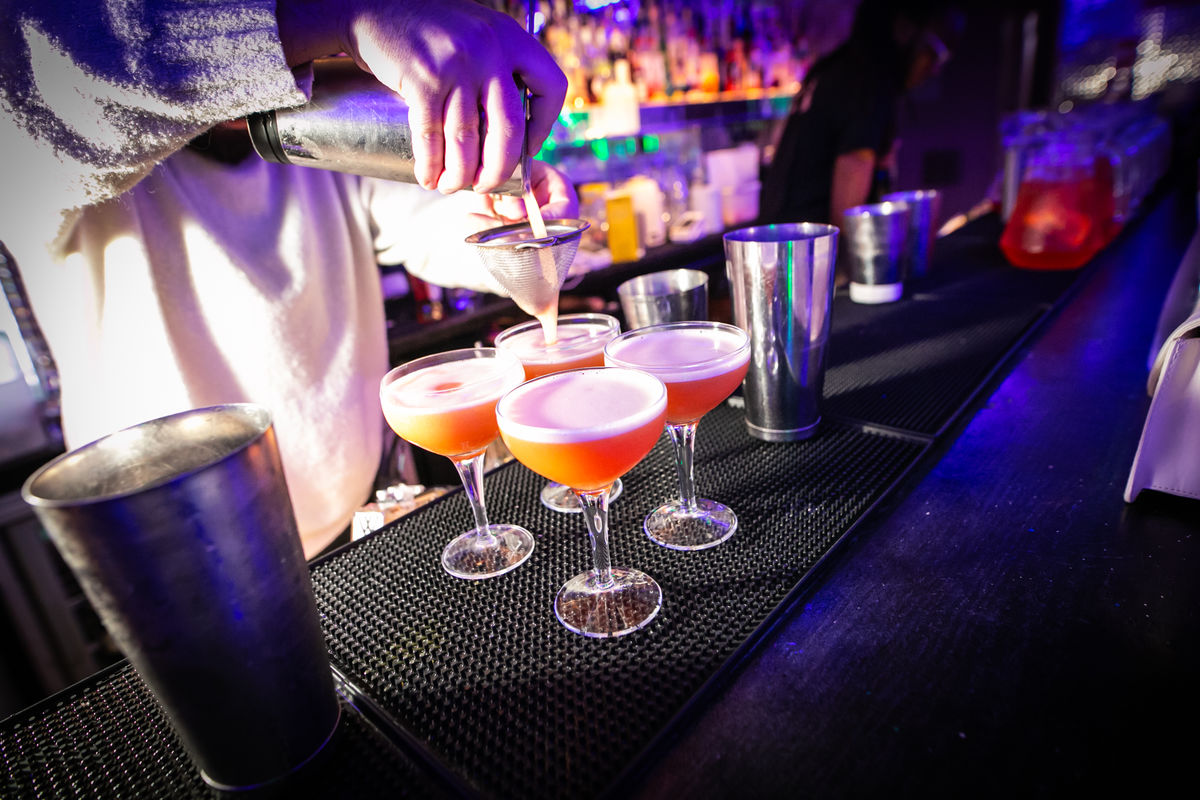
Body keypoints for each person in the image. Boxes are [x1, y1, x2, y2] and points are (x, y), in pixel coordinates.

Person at [0, 0, 574, 558]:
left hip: (354, 521)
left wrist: (514, 227)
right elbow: (61, 61)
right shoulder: (57, 148)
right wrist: (346, 14)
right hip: (179, 560)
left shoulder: (303, 127)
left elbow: (431, 226)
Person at [757, 0, 956, 231]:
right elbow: (851, 189)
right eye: (934, 53)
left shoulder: (831, 69)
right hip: (806, 254)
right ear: (905, 31)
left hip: (779, 241)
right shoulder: (867, 82)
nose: (934, 69)